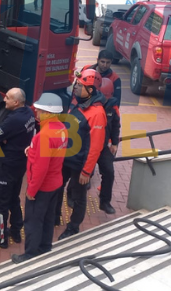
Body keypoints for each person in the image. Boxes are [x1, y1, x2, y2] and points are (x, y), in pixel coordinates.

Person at [11, 93, 67, 264]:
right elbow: (52, 155)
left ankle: (30, 254)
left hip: (42, 187)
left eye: (40, 110)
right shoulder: (61, 129)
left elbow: (41, 168)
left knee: (33, 221)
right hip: (56, 183)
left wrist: (31, 190)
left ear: (49, 113)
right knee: (48, 217)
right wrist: (33, 150)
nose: (36, 112)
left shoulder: (43, 136)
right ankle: (44, 246)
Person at [56, 69, 108, 240]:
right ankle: (55, 215)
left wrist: (87, 171)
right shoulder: (77, 102)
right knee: (57, 188)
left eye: (80, 85)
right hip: (66, 158)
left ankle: (73, 226)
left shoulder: (97, 114)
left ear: (91, 90)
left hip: (80, 164)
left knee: (78, 197)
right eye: (76, 85)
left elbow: (95, 146)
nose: (76, 88)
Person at [0, 88, 35, 249]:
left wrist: (4, 142)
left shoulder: (13, 120)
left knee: (0, 203)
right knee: (14, 198)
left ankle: (0, 238)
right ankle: (16, 230)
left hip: (7, 166)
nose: (4, 100)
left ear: (16, 102)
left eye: (8, 98)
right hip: (20, 165)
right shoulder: (29, 113)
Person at [97, 78, 120, 215]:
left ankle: (105, 202)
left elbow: (116, 125)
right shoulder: (90, 104)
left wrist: (115, 143)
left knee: (109, 173)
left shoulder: (113, 106)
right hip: (89, 145)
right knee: (79, 173)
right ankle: (72, 195)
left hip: (104, 146)